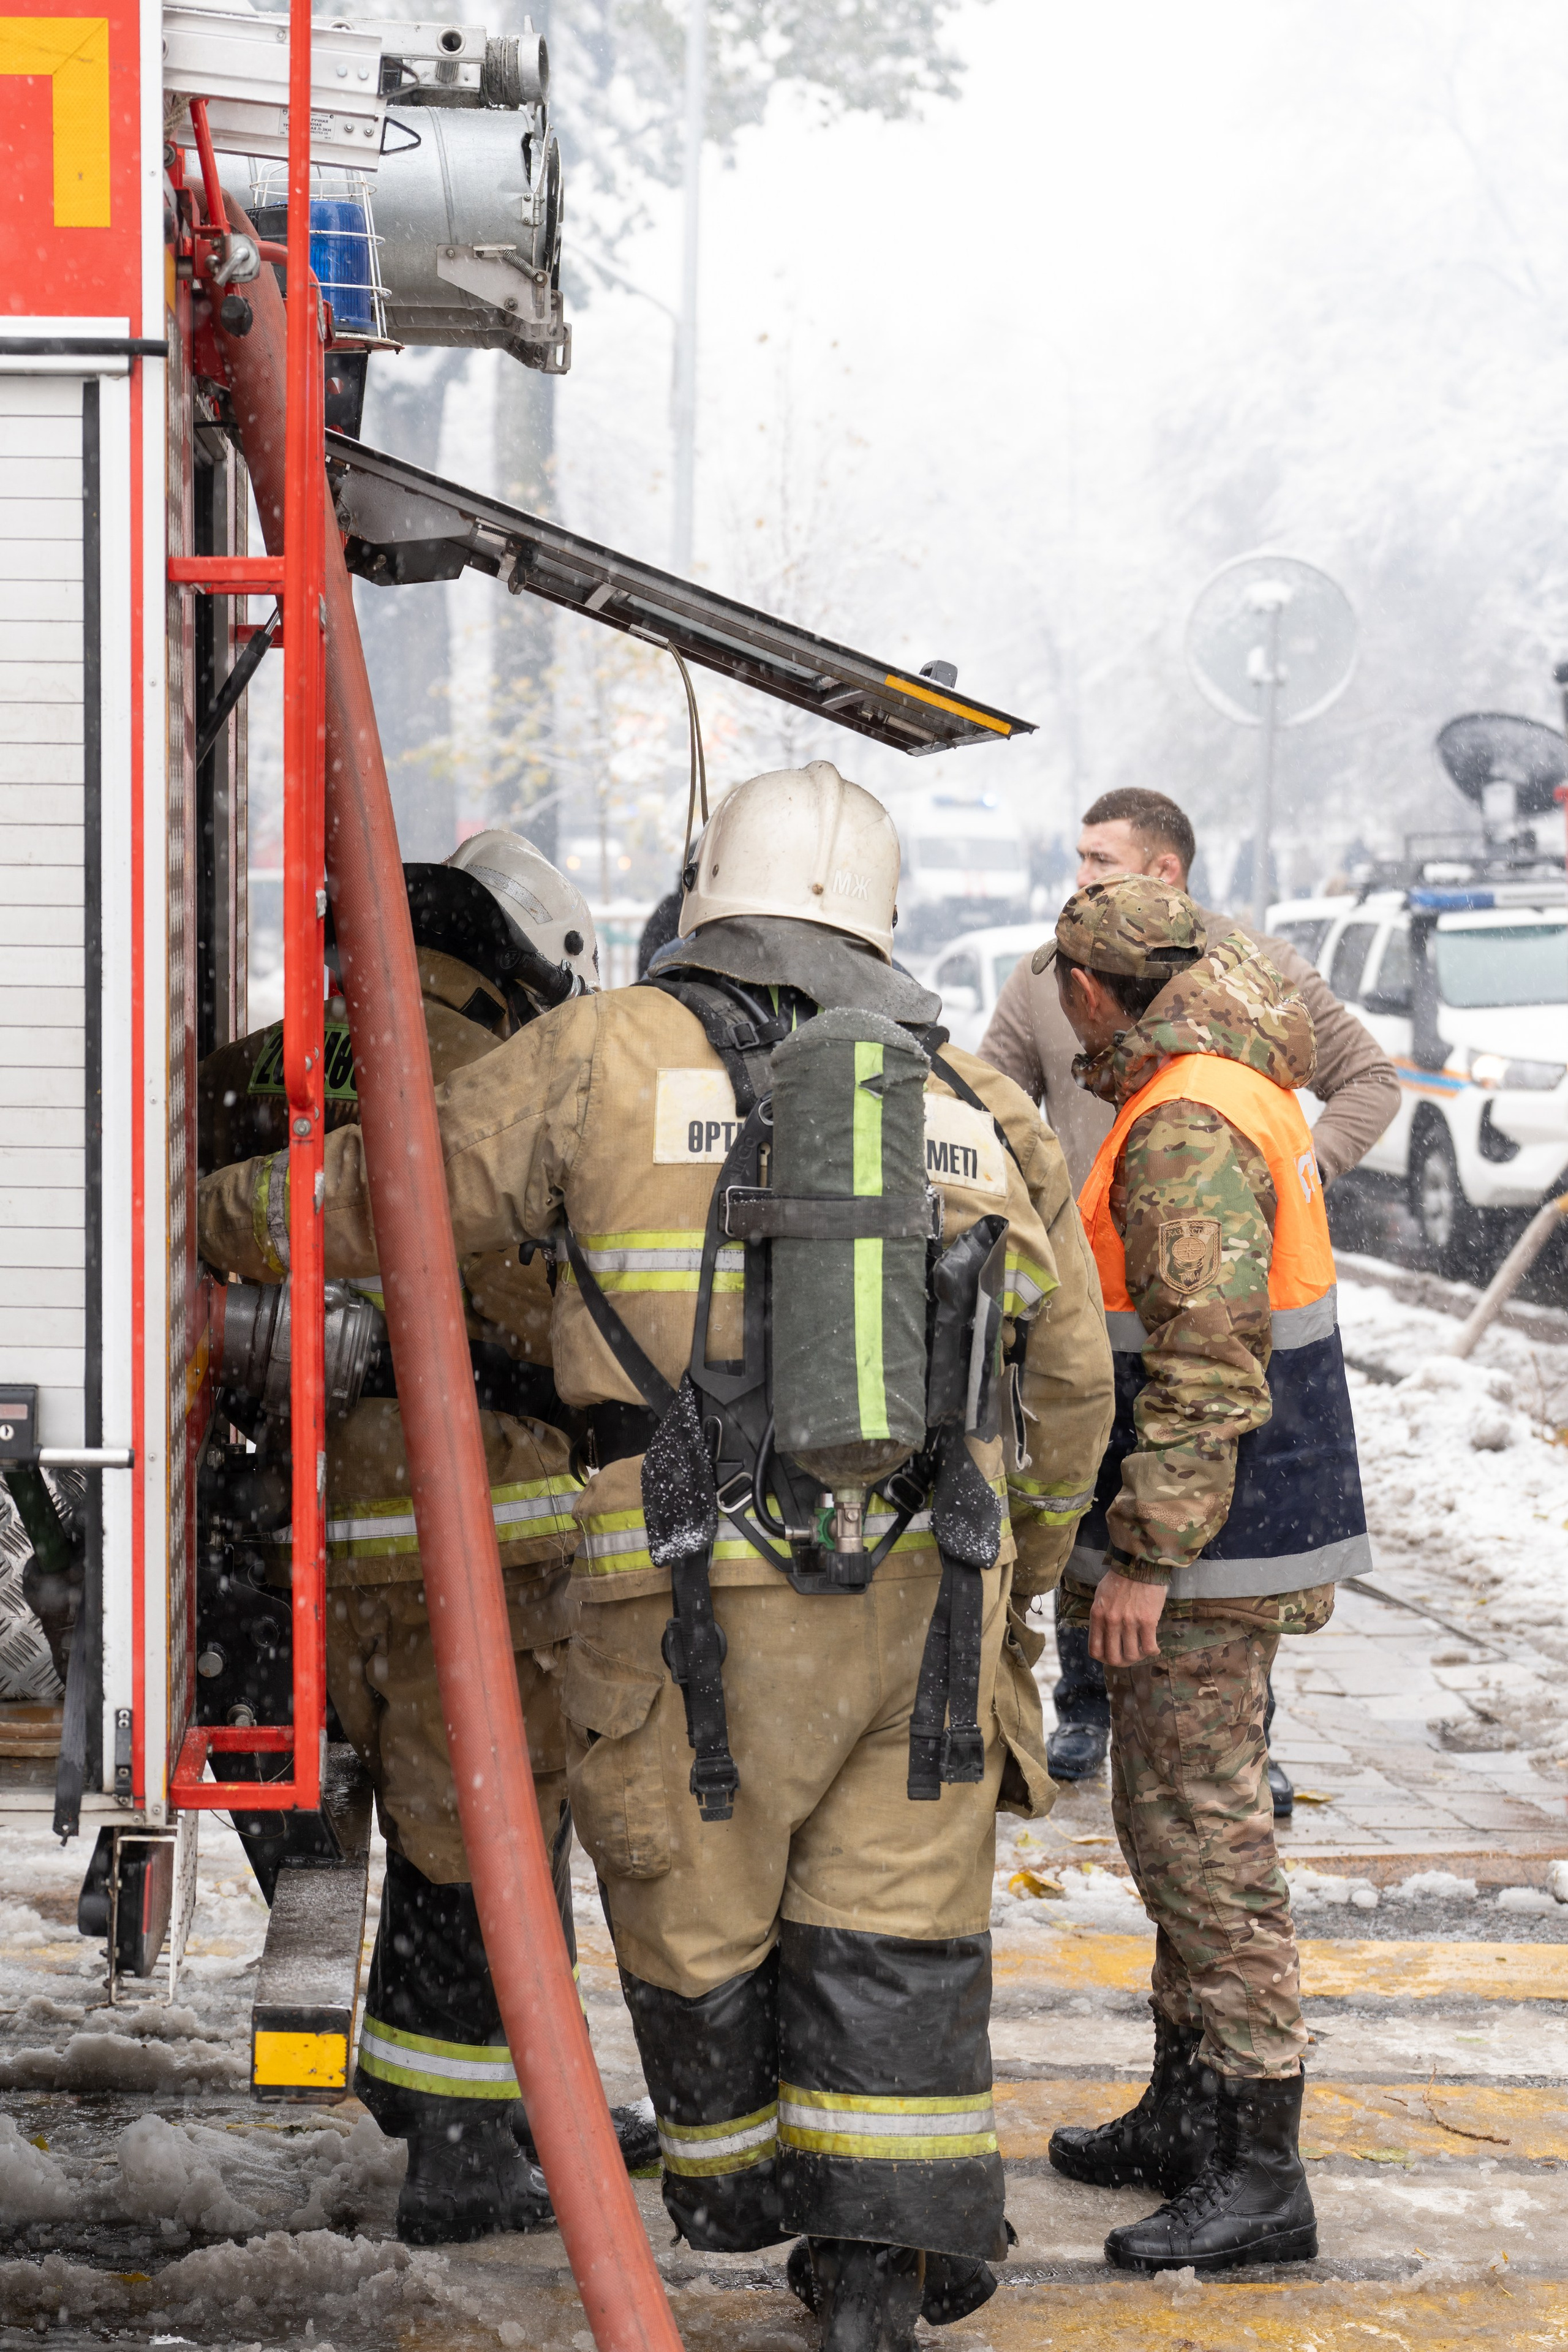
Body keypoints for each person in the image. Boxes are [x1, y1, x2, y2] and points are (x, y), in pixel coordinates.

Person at [200, 761, 1115, 2350]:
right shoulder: (979, 1102)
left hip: (675, 1601)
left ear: (711, 899)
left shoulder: (604, 1053)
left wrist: (187, 1211)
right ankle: (874, 2264)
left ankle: (748, 2185)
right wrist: (1022, 1591)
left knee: (706, 1943)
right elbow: (1074, 1388)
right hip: (927, 1611)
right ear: (886, 923)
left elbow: (387, 1189)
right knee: (894, 1931)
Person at [198, 832, 656, 2245]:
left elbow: (208, 1221)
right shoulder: (515, 1086)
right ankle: (462, 2150)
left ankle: (510, 2103)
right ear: (520, 962)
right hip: (475, 1540)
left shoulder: (267, 1066)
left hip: (291, 1546)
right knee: (479, 1843)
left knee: (403, 1840)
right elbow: (542, 1311)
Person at [1041, 875, 1370, 2274]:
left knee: (1206, 1846)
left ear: (1092, 990)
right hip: (1242, 1530)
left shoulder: (1182, 1119)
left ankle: (1258, 2168)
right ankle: (1184, 2116)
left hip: (1211, 1548)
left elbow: (1200, 1367)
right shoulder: (1228, 1084)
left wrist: (1142, 1558)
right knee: (1169, 1820)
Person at [979, 788, 1398, 1806]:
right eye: (1076, 855)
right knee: (1101, 1509)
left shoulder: (1250, 987)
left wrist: (1283, 1180)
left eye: (1100, 857)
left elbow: (1367, 1081)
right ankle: (1104, 1712)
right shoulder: (1053, 975)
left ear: (1163, 871)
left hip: (1201, 1303)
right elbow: (987, 1102)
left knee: (1201, 1569)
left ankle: (1221, 1741)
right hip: (1097, 1301)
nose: (1080, 873)